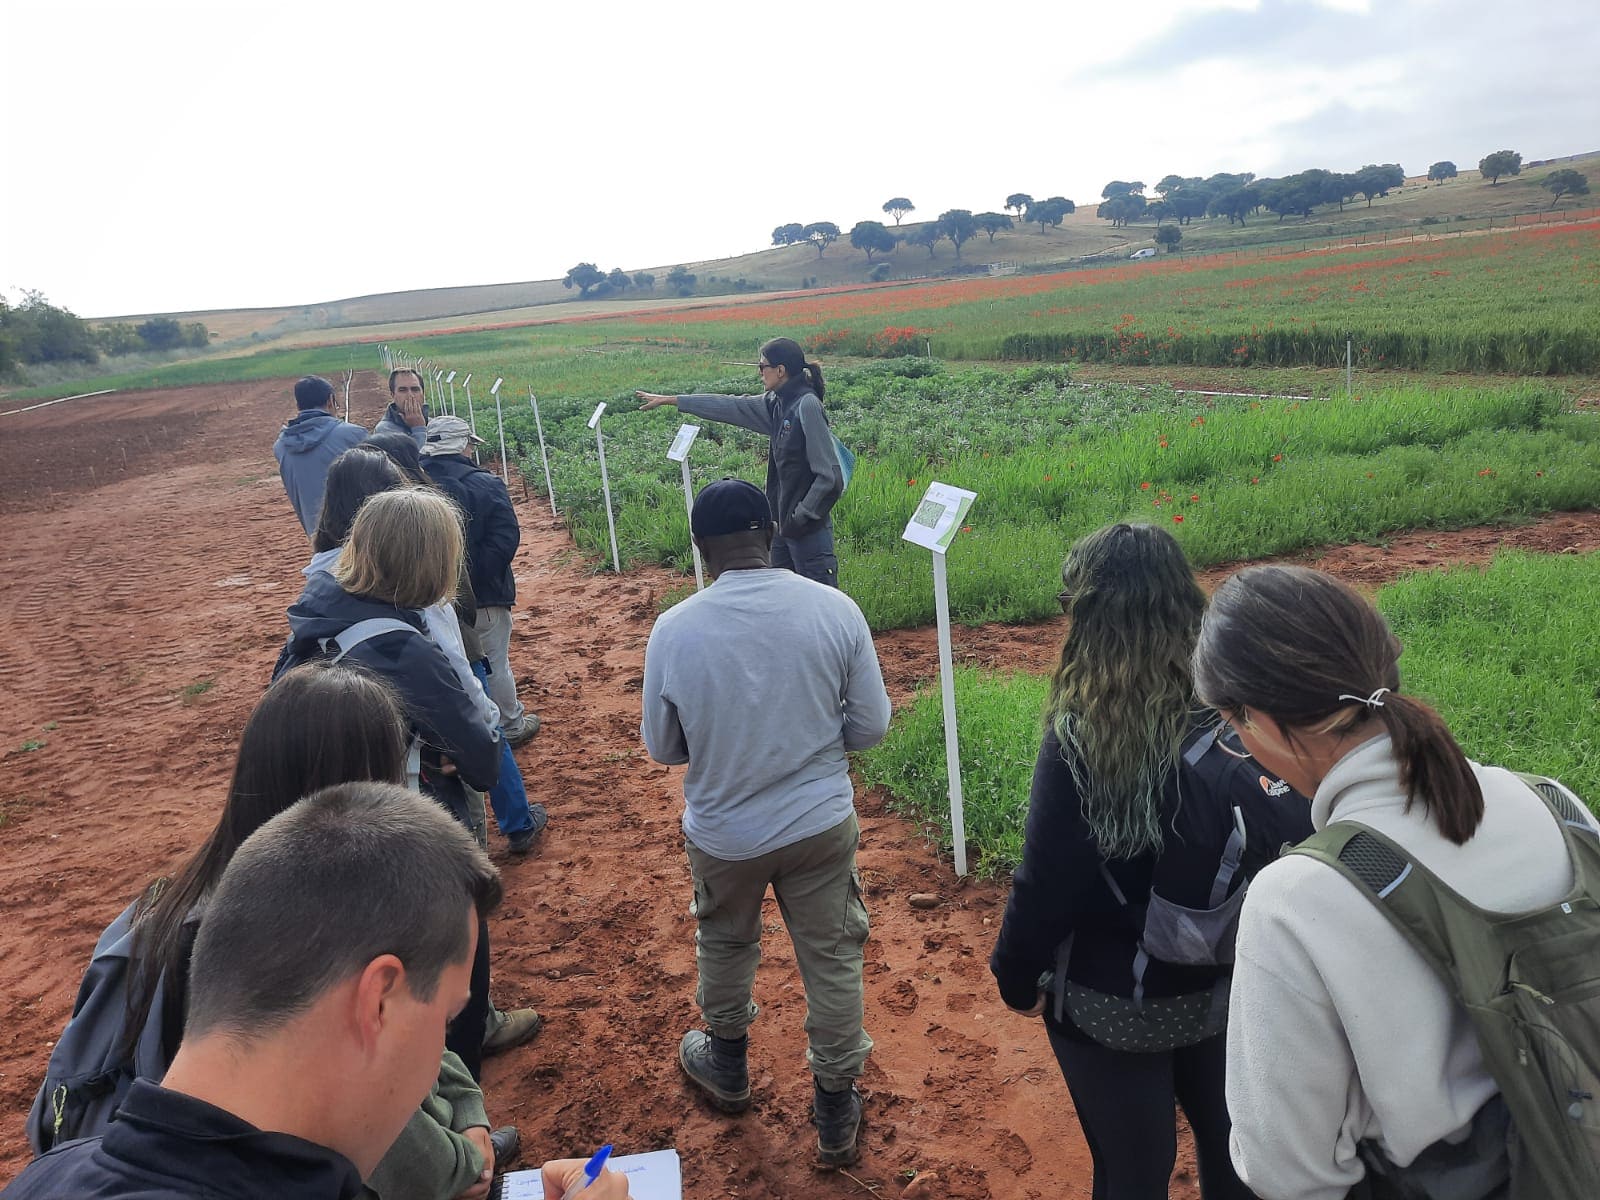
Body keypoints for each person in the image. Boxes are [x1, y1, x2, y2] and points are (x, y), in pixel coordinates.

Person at [26, 663, 523, 1199]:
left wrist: (466, 1115)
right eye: (395, 771)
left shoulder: (174, 901)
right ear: (350, 794)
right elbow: (382, 1125)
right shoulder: (322, 937)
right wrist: (468, 1159)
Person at [1191, 565, 1600, 1200]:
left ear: (1261, 721)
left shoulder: (1294, 901)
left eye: (1231, 728)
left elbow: (1288, 1172)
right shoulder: (1556, 806)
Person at [989, 523, 1301, 1200]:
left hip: (1112, 1001)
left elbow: (1047, 880)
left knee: (1132, 1170)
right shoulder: (1238, 712)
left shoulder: (1082, 731)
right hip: (1229, 985)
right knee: (1234, 1155)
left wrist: (1014, 972)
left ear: (1087, 614)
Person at [640, 478, 891, 1166]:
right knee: (833, 958)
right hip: (817, 824)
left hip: (724, 832)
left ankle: (727, 1068)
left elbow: (664, 747)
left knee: (724, 944)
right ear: (772, 530)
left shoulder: (676, 628)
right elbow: (870, 726)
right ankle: (836, 1111)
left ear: (701, 547)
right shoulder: (833, 610)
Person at [276, 487, 506, 1077]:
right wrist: (442, 750)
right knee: (450, 976)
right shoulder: (402, 649)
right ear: (427, 563)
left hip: (318, 830)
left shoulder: (315, 612)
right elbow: (482, 761)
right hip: (402, 839)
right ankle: (461, 1133)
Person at [316, 441, 548, 859]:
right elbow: (474, 732)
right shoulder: (407, 635)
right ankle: (515, 829)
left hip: (342, 806)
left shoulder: (318, 594)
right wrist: (481, 739)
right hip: (413, 802)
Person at [636, 336, 845, 588]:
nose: (759, 372)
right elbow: (731, 405)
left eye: (762, 366)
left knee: (817, 606)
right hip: (782, 531)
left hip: (808, 534)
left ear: (780, 370)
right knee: (781, 605)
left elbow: (830, 477)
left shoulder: (806, 405)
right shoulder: (776, 404)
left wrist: (801, 515)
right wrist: (675, 400)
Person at [422, 415, 540, 747]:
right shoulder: (486, 484)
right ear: (464, 446)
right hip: (484, 595)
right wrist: (469, 584)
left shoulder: (411, 483)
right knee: (494, 662)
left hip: (425, 597)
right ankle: (511, 725)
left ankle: (458, 732)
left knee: (444, 666)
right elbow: (505, 539)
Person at [272, 375, 368, 537]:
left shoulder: (281, 447)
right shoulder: (354, 434)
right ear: (331, 401)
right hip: (359, 536)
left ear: (298, 405)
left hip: (317, 539)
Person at [376, 368, 431, 447]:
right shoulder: (385, 430)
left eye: (415, 389)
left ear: (423, 393)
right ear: (393, 395)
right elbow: (411, 458)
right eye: (402, 390)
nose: (410, 395)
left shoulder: (434, 424)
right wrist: (418, 428)